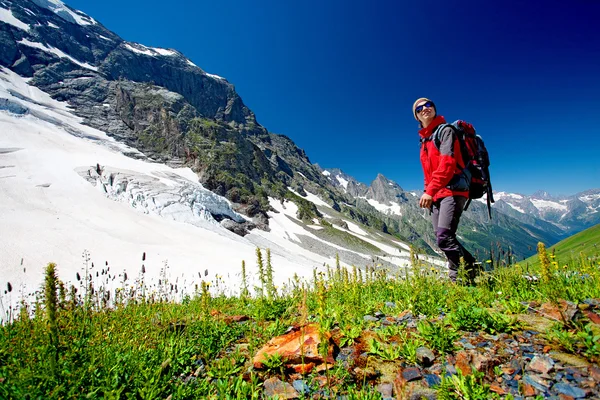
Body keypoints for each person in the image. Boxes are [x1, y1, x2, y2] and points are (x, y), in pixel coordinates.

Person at [413, 97, 476, 282]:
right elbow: (428, 173)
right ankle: (472, 268)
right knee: (442, 237)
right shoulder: (424, 141)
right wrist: (429, 192)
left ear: (434, 108)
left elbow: (448, 164)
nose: (425, 109)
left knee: (444, 237)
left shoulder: (445, 131)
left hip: (453, 190)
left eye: (428, 105)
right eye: (419, 108)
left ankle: (459, 279)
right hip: (436, 194)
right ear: (416, 116)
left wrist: (429, 191)